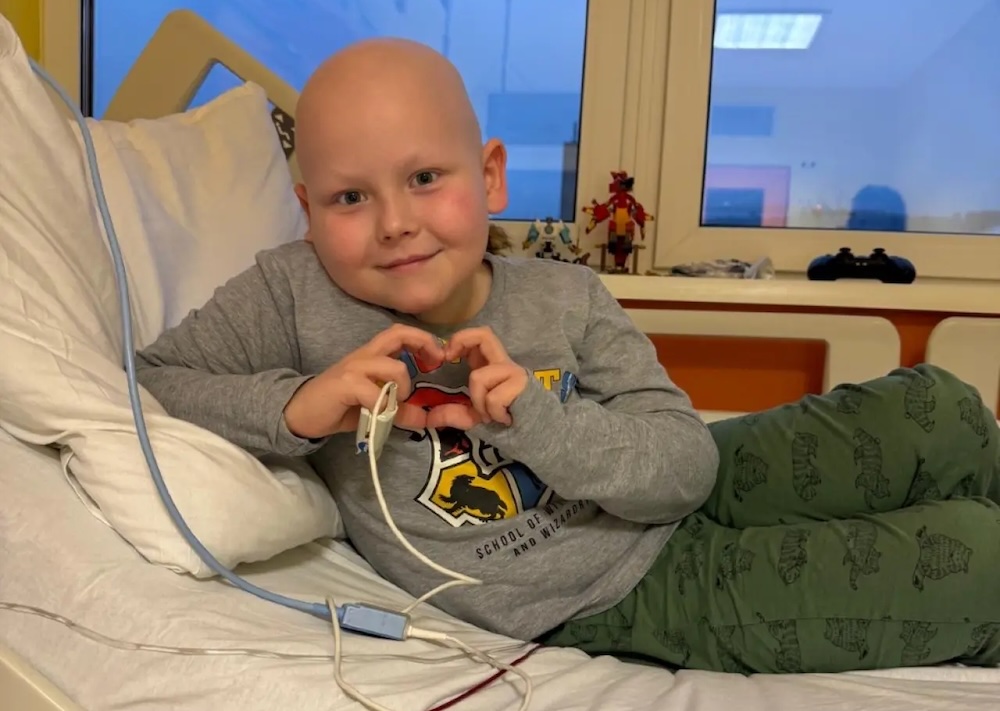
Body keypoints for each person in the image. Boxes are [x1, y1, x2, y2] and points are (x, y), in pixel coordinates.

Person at [135, 37, 1000, 675]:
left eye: (425, 178)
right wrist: (296, 409)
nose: (395, 222)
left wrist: (538, 425)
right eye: (349, 197)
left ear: (490, 176)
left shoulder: (566, 295)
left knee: (940, 410)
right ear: (307, 207)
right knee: (974, 560)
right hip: (611, 589)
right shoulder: (291, 293)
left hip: (664, 487)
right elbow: (154, 379)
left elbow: (687, 465)